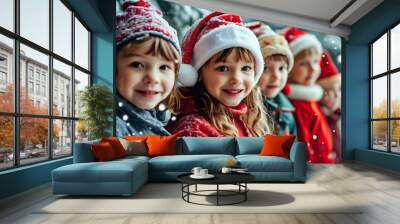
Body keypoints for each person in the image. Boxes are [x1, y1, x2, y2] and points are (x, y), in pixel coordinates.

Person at [168, 12, 271, 137]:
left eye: (245, 68)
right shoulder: (194, 129)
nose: (236, 79)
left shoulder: (251, 120)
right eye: (223, 68)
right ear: (199, 74)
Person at [115, 0, 181, 136]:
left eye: (163, 67)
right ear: (114, 68)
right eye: (137, 65)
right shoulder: (115, 127)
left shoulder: (159, 117)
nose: (153, 78)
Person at [282, 27, 334, 163]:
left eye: (315, 61)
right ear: (289, 68)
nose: (313, 69)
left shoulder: (311, 96)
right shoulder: (296, 104)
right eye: (304, 64)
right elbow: (303, 143)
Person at [247, 21, 296, 135]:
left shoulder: (286, 111)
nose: (276, 77)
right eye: (266, 69)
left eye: (281, 68)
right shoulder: (246, 110)